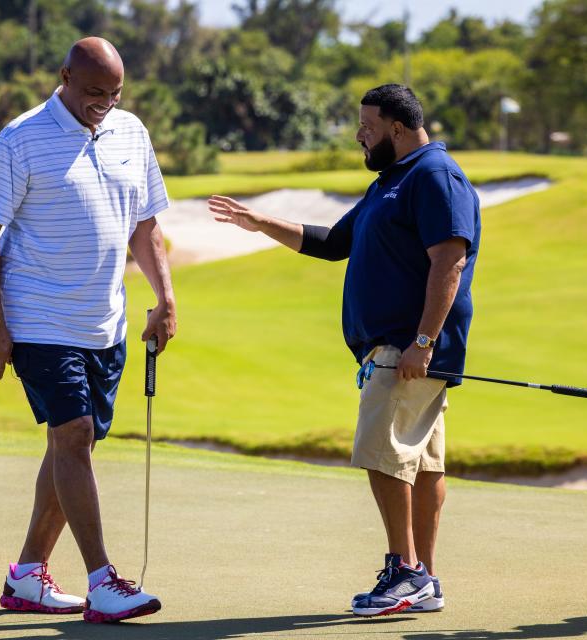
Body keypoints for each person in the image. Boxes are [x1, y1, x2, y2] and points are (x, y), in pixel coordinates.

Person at [209, 84, 480, 617]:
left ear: (396, 129)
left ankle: (404, 571)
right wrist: (260, 222)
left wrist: (422, 342)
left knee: (382, 456)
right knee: (422, 465)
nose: (359, 135)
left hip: (408, 349)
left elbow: (449, 260)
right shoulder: (392, 180)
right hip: (403, 347)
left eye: (367, 126)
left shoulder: (433, 176)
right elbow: (334, 242)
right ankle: (423, 577)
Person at [0, 36, 176, 624]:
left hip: (103, 322)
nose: (103, 104)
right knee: (75, 434)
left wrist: (165, 297)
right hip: (38, 316)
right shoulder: (20, 138)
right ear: (63, 76)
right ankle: (103, 581)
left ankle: (28, 574)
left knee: (71, 446)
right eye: (92, 92)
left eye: (114, 93)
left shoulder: (130, 131)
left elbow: (147, 225)